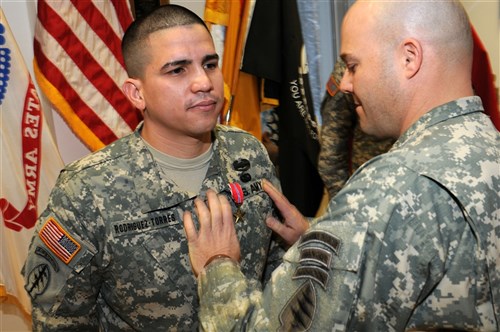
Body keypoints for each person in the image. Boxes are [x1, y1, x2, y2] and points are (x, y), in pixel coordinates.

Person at [183, 0, 500, 330]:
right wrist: (333, 238)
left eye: (353, 65)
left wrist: (216, 264)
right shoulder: (489, 147)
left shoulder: (388, 189)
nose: (345, 84)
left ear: (409, 58)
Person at [22, 4, 282, 331]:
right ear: (136, 93)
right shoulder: (88, 190)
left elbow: (277, 273)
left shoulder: (249, 154)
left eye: (210, 64)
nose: (204, 82)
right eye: (178, 70)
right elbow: (61, 320)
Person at [319, 58, 394, 198]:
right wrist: (346, 203)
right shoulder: (348, 68)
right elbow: (331, 152)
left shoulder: (424, 59)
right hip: (367, 191)